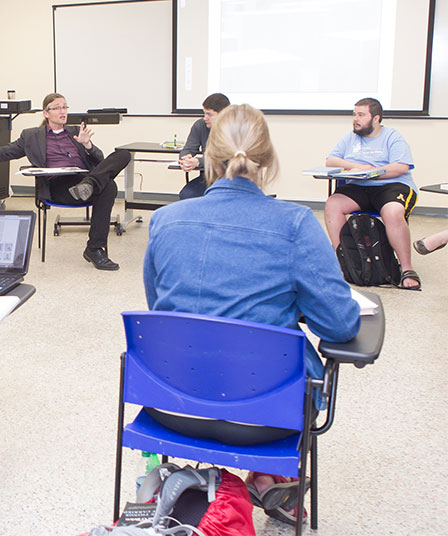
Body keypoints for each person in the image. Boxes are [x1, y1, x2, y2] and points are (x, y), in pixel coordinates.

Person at [143, 104, 360, 526]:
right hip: (266, 418)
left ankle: (242, 480)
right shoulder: (295, 224)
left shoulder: (165, 220)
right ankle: (270, 475)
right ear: (269, 160)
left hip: (172, 406)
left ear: (209, 158)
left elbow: (160, 310)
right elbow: (341, 325)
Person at [0, 93, 130, 271]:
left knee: (123, 154)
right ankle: (95, 249)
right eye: (57, 107)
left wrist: (87, 145)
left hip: (83, 180)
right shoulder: (31, 136)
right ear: (46, 113)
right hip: (60, 186)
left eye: (65, 107)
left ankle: (90, 195)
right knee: (109, 186)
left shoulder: (76, 132)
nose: (63, 111)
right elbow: (2, 152)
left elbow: (100, 161)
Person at [323, 98, 420, 290]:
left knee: (392, 212)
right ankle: (344, 262)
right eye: (354, 115)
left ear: (376, 118)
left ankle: (407, 269)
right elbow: (331, 160)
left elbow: (401, 166)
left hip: (390, 185)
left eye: (361, 115)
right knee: (333, 205)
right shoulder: (350, 138)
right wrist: (358, 167)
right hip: (359, 186)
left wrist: (376, 172)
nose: (355, 119)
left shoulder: (393, 137)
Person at [177, 93, 230, 199]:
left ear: (223, 114)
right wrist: (186, 158)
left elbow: (224, 158)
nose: (205, 118)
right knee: (187, 195)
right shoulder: (200, 125)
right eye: (204, 113)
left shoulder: (234, 129)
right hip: (207, 177)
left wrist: (198, 162)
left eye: (209, 114)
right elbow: (188, 149)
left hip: (230, 178)